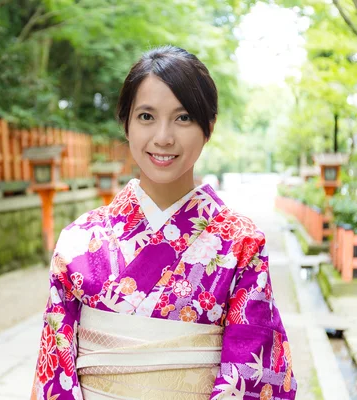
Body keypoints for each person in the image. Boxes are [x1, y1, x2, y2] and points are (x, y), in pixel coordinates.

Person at [31, 45, 296, 400]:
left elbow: (252, 372)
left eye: (183, 117)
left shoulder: (242, 243)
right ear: (125, 124)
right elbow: (55, 367)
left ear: (209, 127)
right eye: (146, 117)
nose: (163, 137)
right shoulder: (78, 241)